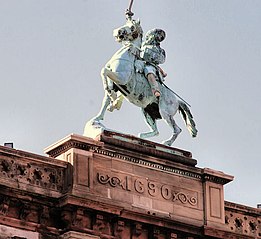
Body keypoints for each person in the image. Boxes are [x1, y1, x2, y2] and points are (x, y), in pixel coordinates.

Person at [140, 29, 167, 97]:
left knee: (149, 70)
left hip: (150, 65)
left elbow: (162, 59)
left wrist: (153, 56)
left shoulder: (160, 50)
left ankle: (155, 90)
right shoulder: (142, 44)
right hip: (140, 62)